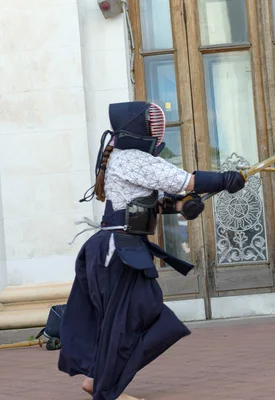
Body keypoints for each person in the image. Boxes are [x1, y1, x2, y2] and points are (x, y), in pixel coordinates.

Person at [58, 101, 245, 399]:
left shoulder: (129, 158)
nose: (158, 131)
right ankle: (106, 390)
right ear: (138, 128)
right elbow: (184, 180)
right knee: (132, 316)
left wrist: (184, 205)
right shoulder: (131, 158)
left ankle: (98, 380)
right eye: (154, 125)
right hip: (117, 251)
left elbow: (154, 201)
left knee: (124, 317)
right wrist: (225, 179)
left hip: (120, 248)